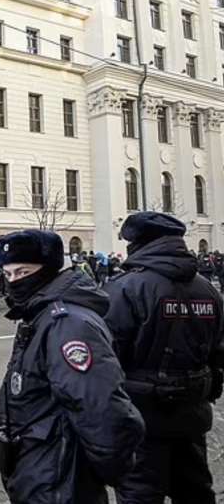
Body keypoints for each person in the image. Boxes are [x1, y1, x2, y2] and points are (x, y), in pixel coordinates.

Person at [0, 229, 144, 504]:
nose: (14, 281)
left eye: (23, 272)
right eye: (8, 274)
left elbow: (101, 407)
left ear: (46, 270)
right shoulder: (39, 314)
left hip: (61, 477)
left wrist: (105, 470)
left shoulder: (66, 323)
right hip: (41, 469)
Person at [103, 212, 224, 504]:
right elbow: (218, 352)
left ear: (139, 244)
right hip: (192, 415)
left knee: (140, 495)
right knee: (195, 492)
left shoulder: (125, 288)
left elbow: (107, 357)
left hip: (142, 419)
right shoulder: (207, 289)